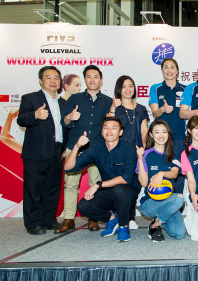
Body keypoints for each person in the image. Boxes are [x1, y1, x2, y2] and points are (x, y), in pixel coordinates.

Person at [57, 65, 112, 234]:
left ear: (101, 80)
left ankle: (92, 218)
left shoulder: (108, 101)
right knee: (71, 184)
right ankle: (69, 218)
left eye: (96, 76)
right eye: (89, 76)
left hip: (97, 148)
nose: (92, 79)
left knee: (95, 184)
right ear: (85, 79)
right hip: (76, 146)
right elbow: (64, 123)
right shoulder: (74, 99)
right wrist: (69, 117)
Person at [65, 117, 137, 242]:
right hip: (109, 191)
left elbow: (126, 179)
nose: (109, 130)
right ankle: (112, 219)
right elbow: (68, 168)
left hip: (128, 192)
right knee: (83, 205)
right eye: (105, 127)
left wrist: (98, 185)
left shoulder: (129, 148)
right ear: (102, 132)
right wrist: (76, 147)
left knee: (120, 189)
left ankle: (123, 226)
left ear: (120, 132)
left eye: (114, 127)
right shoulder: (96, 149)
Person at [17, 66, 66, 235]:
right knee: (33, 188)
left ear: (60, 82)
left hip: (56, 151)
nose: (53, 81)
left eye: (56, 78)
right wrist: (35, 116)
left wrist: (65, 146)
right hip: (36, 152)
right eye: (48, 78)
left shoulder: (63, 102)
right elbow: (21, 119)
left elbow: (64, 128)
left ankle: (49, 219)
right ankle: (32, 223)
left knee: (52, 188)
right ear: (40, 80)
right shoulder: (30, 98)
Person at [108, 75, 149, 229]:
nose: (128, 89)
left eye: (130, 85)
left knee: (135, 186)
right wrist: (113, 108)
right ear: (119, 89)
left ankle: (130, 217)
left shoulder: (141, 108)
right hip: (119, 153)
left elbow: (144, 130)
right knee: (120, 187)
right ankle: (118, 217)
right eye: (124, 86)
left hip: (137, 153)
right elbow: (108, 127)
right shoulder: (115, 108)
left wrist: (145, 149)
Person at [136, 119, 186, 242]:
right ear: (151, 135)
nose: (161, 135)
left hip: (168, 201)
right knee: (179, 198)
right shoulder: (146, 154)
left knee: (179, 234)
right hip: (148, 202)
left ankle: (158, 222)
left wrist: (161, 173)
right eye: (157, 132)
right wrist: (140, 158)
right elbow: (143, 183)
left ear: (168, 134)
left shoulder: (174, 154)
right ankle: (157, 224)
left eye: (164, 132)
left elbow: (174, 174)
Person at [149, 58, 186, 194]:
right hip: (161, 137)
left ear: (177, 71)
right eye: (166, 67)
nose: (169, 70)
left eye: (172, 67)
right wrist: (162, 109)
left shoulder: (185, 89)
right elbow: (154, 112)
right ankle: (159, 203)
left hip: (180, 137)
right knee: (161, 169)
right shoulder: (155, 88)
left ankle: (177, 205)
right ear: (162, 70)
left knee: (179, 172)